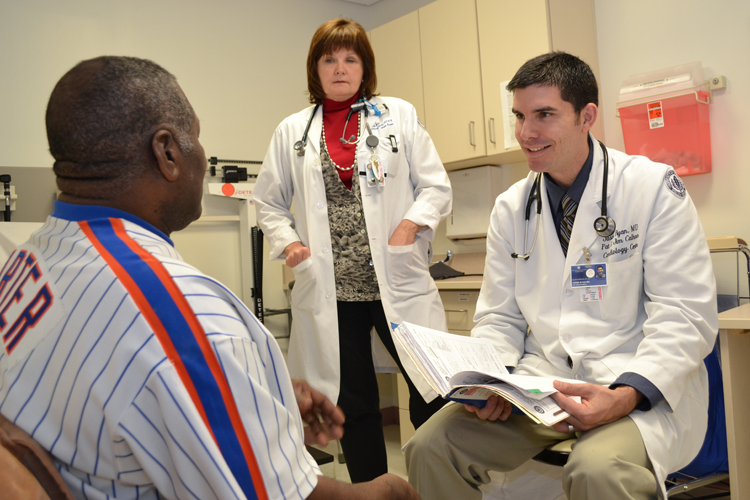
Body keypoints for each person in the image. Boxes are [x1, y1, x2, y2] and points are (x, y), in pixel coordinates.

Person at [0, 55, 419, 500]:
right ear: (166, 152)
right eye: (195, 137)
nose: (200, 153)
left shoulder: (27, 260)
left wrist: (248, 387)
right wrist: (384, 492)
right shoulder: (181, 315)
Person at [405, 52, 718, 500]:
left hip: (629, 383)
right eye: (519, 116)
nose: (526, 133)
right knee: (431, 446)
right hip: (540, 385)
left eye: (544, 115)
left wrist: (626, 393)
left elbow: (685, 314)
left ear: (586, 116)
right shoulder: (512, 207)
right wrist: (495, 380)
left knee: (598, 470)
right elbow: (499, 317)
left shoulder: (651, 188)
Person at [254, 19, 451, 483]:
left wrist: (409, 224)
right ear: (315, 68)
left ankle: (434, 483)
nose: (340, 69)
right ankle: (372, 491)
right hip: (332, 291)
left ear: (365, 67)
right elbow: (267, 202)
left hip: (394, 280)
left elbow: (436, 187)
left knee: (431, 389)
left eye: (350, 59)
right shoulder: (293, 131)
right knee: (355, 401)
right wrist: (291, 243)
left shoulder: (397, 115)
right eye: (329, 59)